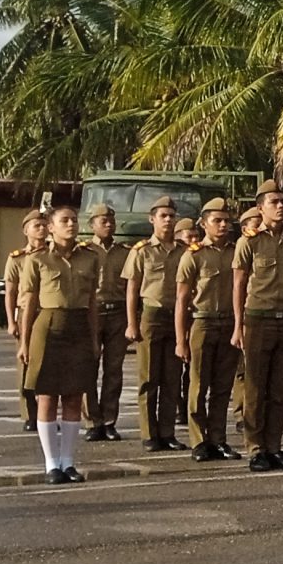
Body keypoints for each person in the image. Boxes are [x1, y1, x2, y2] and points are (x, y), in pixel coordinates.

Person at [16, 203, 99, 482]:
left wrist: (94, 338)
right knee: (48, 396)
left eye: (74, 220)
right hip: (48, 327)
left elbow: (91, 303)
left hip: (78, 327)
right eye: (65, 220)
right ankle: (51, 464)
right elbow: (28, 304)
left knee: (75, 395)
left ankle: (68, 462)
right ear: (51, 227)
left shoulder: (89, 257)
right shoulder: (37, 259)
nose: (71, 225)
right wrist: (24, 342)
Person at [231, 182, 283, 472]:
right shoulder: (248, 241)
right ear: (260, 207)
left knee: (279, 388)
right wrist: (239, 325)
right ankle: (255, 447)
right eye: (273, 202)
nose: (280, 206)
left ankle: (274, 446)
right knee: (255, 387)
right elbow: (238, 285)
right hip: (258, 318)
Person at [175, 197, 242, 463]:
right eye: (217, 221)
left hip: (228, 322)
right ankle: (198, 440)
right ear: (204, 224)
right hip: (202, 322)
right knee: (198, 385)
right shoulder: (193, 255)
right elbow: (181, 300)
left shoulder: (237, 251)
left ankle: (218, 439)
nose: (223, 225)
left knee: (223, 387)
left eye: (226, 221)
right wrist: (181, 339)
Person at [124, 197, 187, 450]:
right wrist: (131, 322)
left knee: (172, 378)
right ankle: (150, 434)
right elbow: (132, 289)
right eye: (163, 215)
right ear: (152, 219)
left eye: (172, 216)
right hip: (151, 314)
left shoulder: (184, 251)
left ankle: (168, 432)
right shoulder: (142, 251)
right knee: (149, 378)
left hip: (177, 317)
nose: (168, 220)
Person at [83, 205, 131, 441]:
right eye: (103, 220)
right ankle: (93, 421)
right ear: (92, 224)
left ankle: (110, 421)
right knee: (88, 369)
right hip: (93, 313)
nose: (108, 224)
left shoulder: (124, 251)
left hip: (118, 313)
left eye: (111, 220)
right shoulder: (84, 251)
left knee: (114, 370)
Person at [4, 211, 45, 430]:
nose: (41, 228)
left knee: (49, 366)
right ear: (25, 230)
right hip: (25, 314)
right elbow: (10, 293)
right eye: (36, 225)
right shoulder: (17, 258)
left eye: (44, 224)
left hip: (48, 312)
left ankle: (46, 415)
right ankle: (30, 414)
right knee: (26, 364)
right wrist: (11, 321)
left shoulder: (53, 254)